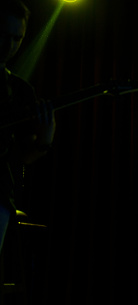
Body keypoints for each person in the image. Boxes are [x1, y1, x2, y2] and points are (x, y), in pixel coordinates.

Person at [0, 0, 56, 253]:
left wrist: (44, 141)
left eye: (17, 38)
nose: (8, 46)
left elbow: (22, 155)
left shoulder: (21, 91)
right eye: (2, 36)